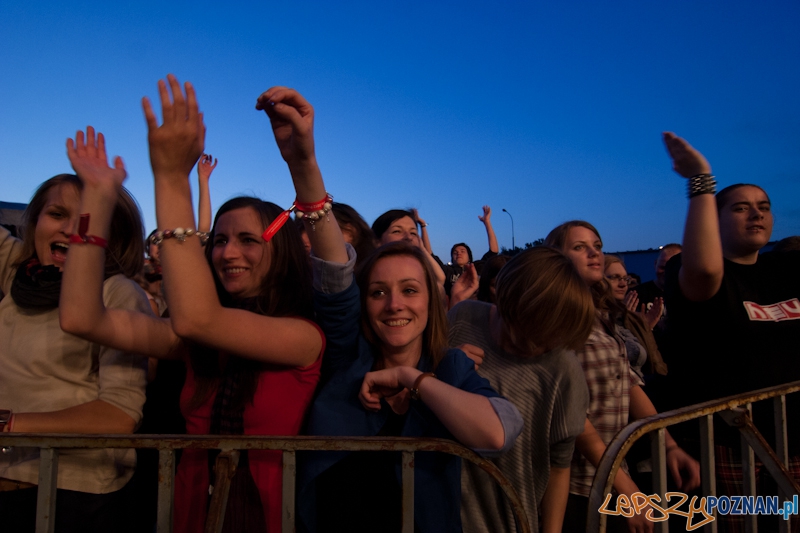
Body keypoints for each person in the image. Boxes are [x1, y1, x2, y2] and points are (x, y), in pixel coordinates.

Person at [58, 77, 325, 533]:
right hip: (190, 510)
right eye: (219, 241)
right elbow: (82, 316)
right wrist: (97, 200)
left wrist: (170, 176)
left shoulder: (301, 336)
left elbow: (200, 318)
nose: (227, 253)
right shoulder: (195, 340)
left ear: (282, 254)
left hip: (262, 515)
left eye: (246, 240)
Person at [263, 86, 522, 532]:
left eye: (410, 290)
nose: (395, 304)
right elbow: (333, 274)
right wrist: (303, 164)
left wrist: (411, 379)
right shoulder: (346, 354)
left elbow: (499, 430)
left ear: (431, 301)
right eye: (379, 292)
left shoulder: (450, 368)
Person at [661, 132, 800, 532]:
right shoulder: (687, 270)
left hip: (795, 446)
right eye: (740, 208)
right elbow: (705, 270)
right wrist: (701, 181)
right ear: (713, 220)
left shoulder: (786, 269)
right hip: (733, 450)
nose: (756, 214)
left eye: (764, 207)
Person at [0, 162, 149, 532]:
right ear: (34, 223)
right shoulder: (19, 275)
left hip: (72, 491)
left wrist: (9, 424)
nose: (69, 228)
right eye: (56, 214)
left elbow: (120, 415)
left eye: (88, 218)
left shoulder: (118, 292)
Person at [544, 220, 699, 533]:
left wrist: (667, 445)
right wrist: (624, 486)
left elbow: (627, 383)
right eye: (579, 247)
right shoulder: (556, 319)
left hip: (611, 472)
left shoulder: (599, 315)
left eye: (598, 246)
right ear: (555, 257)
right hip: (576, 483)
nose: (595, 253)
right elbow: (572, 413)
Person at [450, 247, 593, 533]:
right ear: (508, 301)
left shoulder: (563, 368)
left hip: (511, 521)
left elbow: (559, 465)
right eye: (536, 333)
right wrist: (446, 364)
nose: (546, 345)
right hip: (441, 514)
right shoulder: (461, 318)